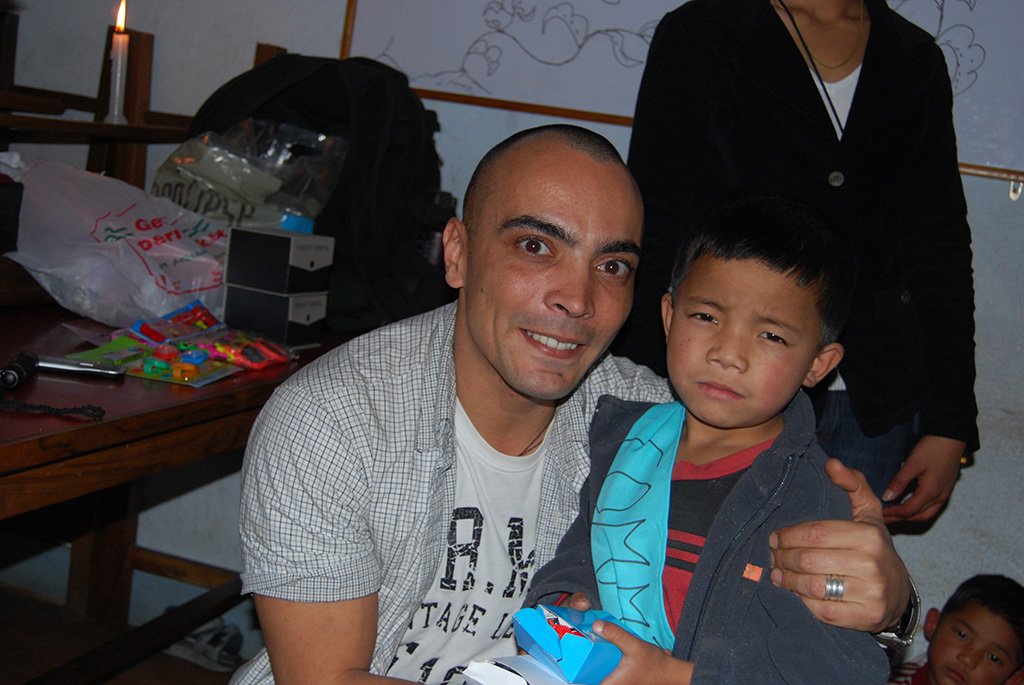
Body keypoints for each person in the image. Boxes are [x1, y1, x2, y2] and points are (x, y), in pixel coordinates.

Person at [232, 125, 913, 685]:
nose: (578, 299)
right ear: (457, 253)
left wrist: (890, 605)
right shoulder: (332, 421)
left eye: (612, 266)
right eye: (536, 246)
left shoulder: (654, 421)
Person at [617, 0, 978, 525]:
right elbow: (656, 221)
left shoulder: (913, 56)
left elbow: (938, 245)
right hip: (715, 385)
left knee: (829, 569)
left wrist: (951, 421)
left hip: (871, 400)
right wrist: (636, 391)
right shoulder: (703, 31)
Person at [527, 194, 890, 683]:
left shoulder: (815, 500)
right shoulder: (628, 442)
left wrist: (678, 677)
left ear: (818, 365)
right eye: (706, 317)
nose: (728, 354)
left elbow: (832, 669)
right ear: (669, 316)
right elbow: (581, 554)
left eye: (772, 336)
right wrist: (566, 602)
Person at [888, 575, 1024, 685]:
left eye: (994, 658)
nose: (968, 659)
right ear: (933, 625)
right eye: (962, 635)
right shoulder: (882, 679)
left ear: (1014, 679)